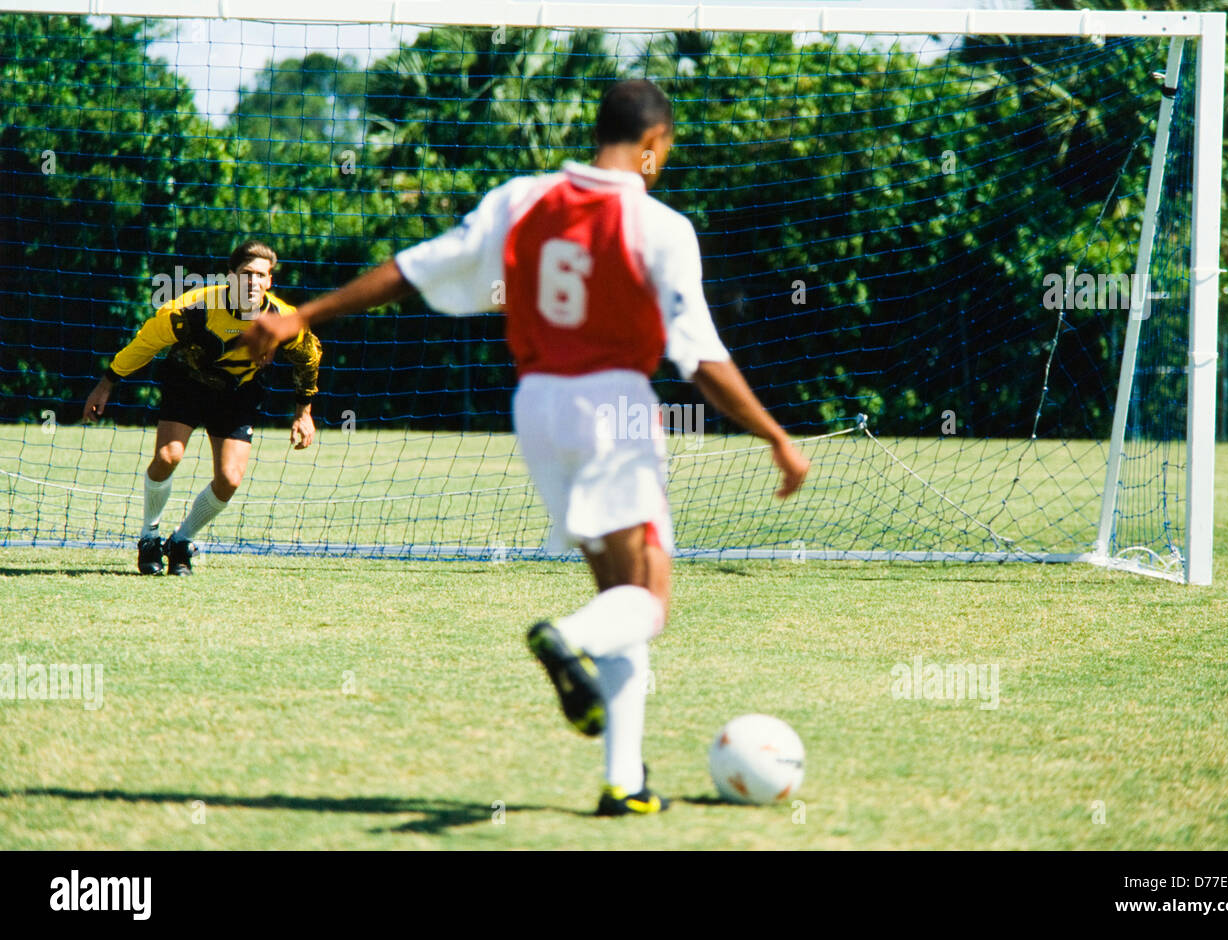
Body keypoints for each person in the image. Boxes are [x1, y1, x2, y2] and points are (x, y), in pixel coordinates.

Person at [239, 80, 809, 814]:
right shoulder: (660, 226)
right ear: (653, 144)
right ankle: (564, 641)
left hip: (537, 406)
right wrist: (776, 437)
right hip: (614, 408)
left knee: (618, 595)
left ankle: (624, 782)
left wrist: (303, 315)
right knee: (650, 598)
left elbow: (414, 267)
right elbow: (700, 359)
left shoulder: (522, 199)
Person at [83, 240, 321, 575]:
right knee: (168, 456)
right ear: (230, 277)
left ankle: (181, 541)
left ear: (270, 282)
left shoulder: (283, 320)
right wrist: (106, 383)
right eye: (245, 274)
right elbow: (145, 343)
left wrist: (303, 412)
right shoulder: (191, 310)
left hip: (238, 395)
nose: (252, 282)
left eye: (260, 275)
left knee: (229, 479)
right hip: (187, 384)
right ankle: (149, 537)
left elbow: (308, 358)